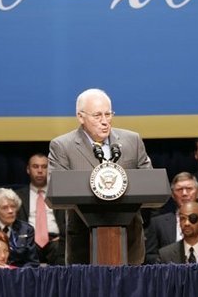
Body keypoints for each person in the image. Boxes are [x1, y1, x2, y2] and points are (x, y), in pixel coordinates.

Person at [48, 87, 153, 265]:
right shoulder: (63, 146)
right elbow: (56, 188)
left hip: (129, 240)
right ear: (81, 117)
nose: (105, 121)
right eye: (97, 116)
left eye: (108, 114)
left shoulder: (132, 141)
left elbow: (150, 183)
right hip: (84, 241)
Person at [144, 172, 198, 264]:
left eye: (189, 189)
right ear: (173, 195)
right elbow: (150, 255)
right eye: (179, 189)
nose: (184, 193)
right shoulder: (158, 223)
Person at [15, 153, 65, 265]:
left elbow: (69, 222)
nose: (40, 171)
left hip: (56, 241)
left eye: (44, 167)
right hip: (29, 241)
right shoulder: (17, 196)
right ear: (28, 170)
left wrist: (62, 237)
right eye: (35, 166)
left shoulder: (60, 194)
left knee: (60, 247)